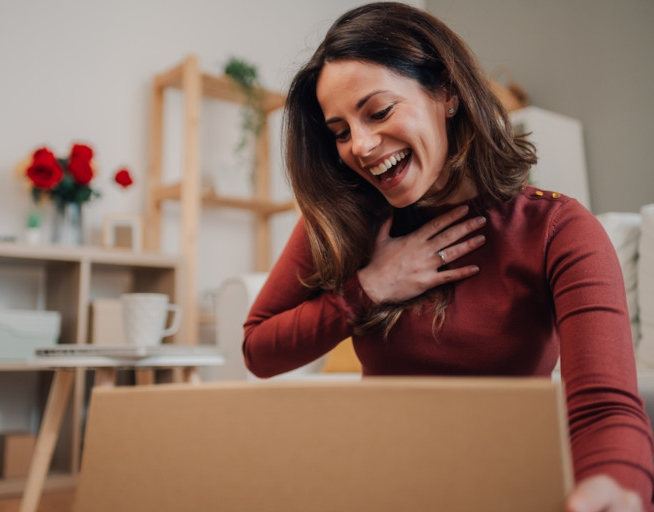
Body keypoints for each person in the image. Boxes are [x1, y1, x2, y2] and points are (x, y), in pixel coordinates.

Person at [242, 3, 654, 511]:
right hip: (373, 483)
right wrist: (370, 289)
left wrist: (614, 482)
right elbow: (258, 350)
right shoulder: (342, 219)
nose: (362, 146)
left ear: (447, 93)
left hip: (504, 486)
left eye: (378, 111)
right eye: (341, 131)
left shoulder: (559, 229)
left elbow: (602, 407)